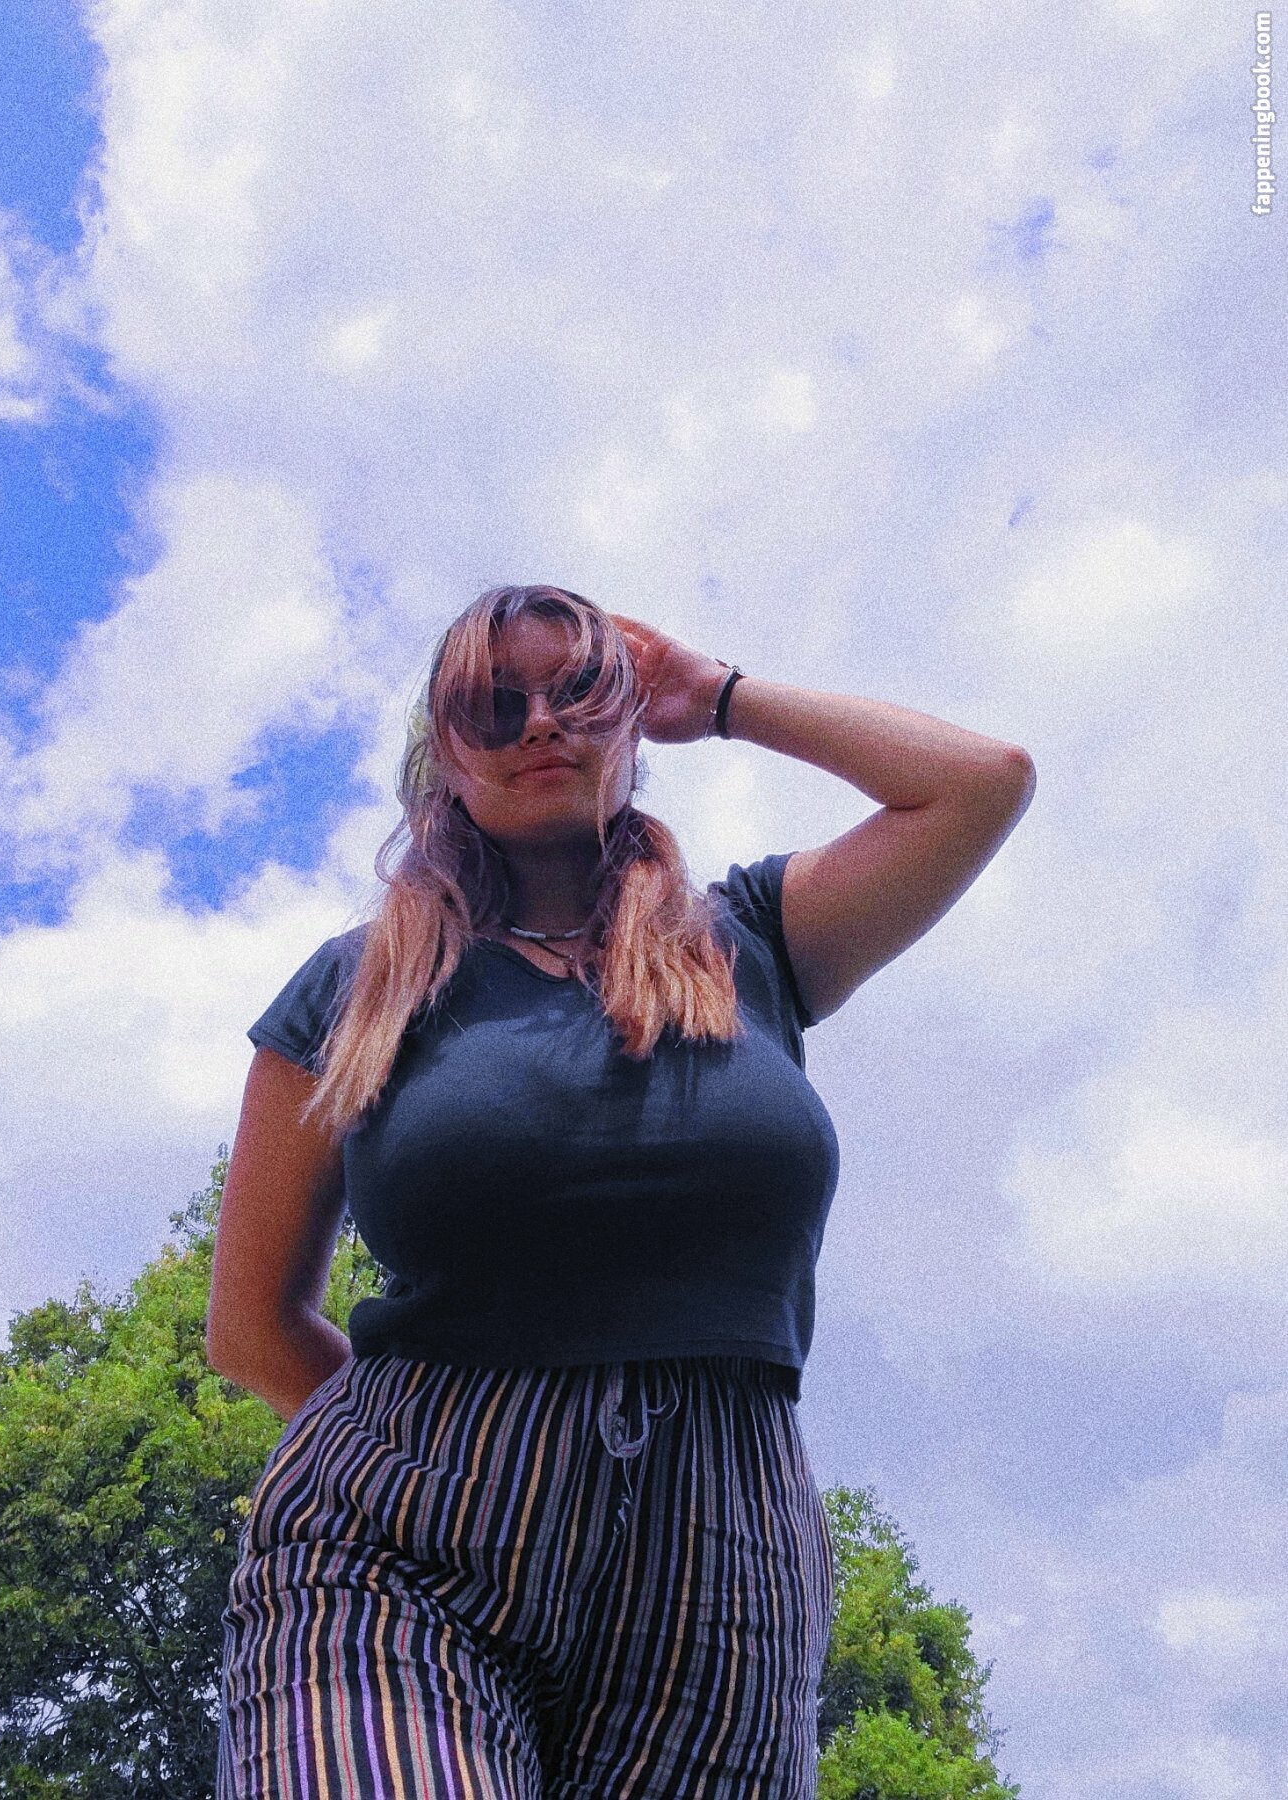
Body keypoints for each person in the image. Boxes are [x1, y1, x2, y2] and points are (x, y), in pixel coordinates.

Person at [207, 583, 1034, 1799]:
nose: (541, 722)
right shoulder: (357, 988)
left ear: (633, 718)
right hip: (397, 1550)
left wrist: (720, 696)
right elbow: (251, 1325)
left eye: (579, 691)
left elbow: (981, 782)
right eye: (495, 707)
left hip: (725, 1567)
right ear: (445, 757)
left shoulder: (752, 941)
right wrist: (437, 1454)